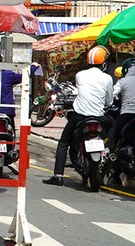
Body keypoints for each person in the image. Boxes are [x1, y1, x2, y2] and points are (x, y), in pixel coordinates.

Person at [43, 46, 114, 186]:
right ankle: (108, 149)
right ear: (103, 64)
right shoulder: (107, 78)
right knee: (114, 125)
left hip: (79, 116)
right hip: (99, 117)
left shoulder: (80, 75)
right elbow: (109, 101)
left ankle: (58, 175)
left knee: (64, 142)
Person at [107, 58, 135, 148]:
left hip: (128, 115)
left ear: (125, 70)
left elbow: (112, 93)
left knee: (115, 129)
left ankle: (111, 151)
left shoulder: (122, 81)